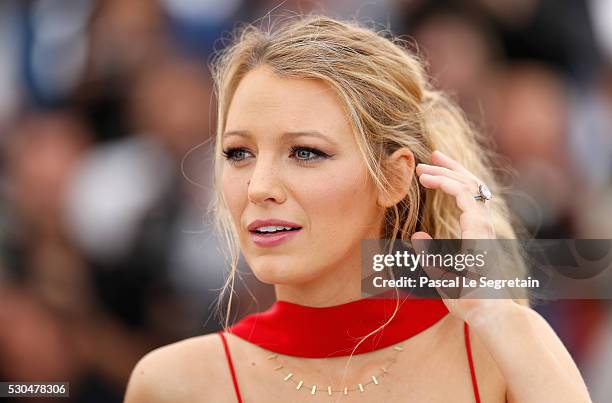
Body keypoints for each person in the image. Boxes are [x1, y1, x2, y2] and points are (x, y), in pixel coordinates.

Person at [124, 15, 592, 403]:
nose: (258, 188)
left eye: (305, 152)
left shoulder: (498, 352)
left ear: (392, 177)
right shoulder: (171, 384)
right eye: (238, 153)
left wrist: (498, 314)